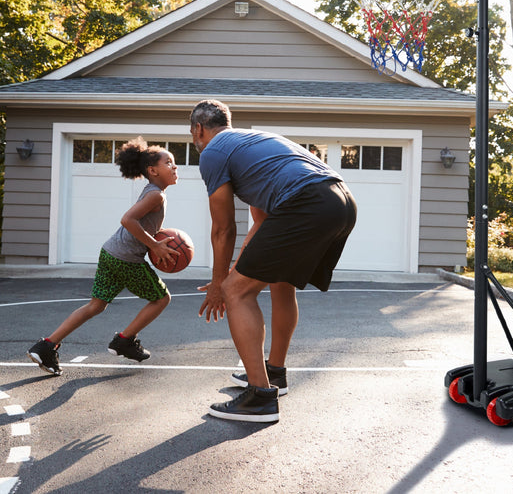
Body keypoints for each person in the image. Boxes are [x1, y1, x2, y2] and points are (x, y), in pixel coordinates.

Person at [190, 99, 357, 423]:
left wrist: (221, 284)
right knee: (280, 281)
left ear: (198, 129)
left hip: (307, 202)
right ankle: (274, 373)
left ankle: (260, 397)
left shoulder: (213, 152)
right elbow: (261, 222)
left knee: (237, 293)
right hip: (341, 201)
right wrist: (240, 268)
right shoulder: (252, 143)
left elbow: (223, 228)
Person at [27, 138, 179, 376]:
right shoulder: (156, 195)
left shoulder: (154, 193)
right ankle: (124, 341)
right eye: (169, 162)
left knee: (96, 305)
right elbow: (127, 220)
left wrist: (153, 239)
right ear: (152, 170)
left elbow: (138, 223)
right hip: (126, 259)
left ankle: (46, 345)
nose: (175, 167)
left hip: (110, 253)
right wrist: (154, 246)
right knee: (162, 298)